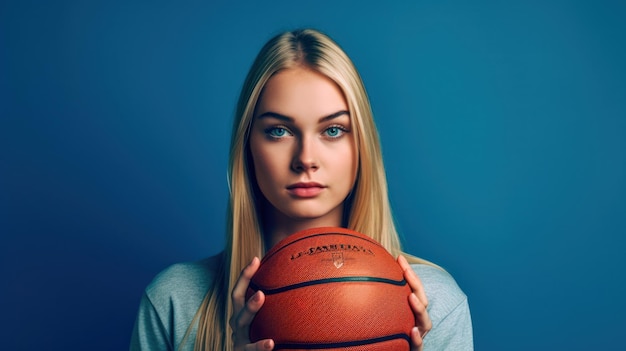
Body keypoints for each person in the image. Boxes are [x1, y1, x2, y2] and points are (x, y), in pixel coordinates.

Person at [130, 28, 473, 351]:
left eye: (334, 130)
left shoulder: (434, 303)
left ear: (362, 146)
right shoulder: (175, 301)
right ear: (248, 145)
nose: (306, 159)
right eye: (279, 131)